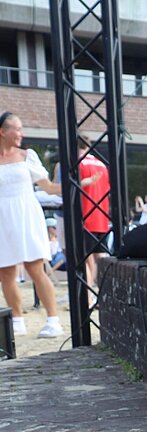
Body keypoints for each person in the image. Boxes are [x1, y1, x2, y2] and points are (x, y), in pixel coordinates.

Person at [0, 111, 65, 338]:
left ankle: (53, 320)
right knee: (6, 272)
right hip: (2, 219)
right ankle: (17, 320)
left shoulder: (27, 155)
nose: (21, 133)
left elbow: (47, 187)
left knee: (35, 269)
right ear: (2, 132)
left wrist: (75, 185)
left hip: (26, 214)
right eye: (16, 129)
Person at [75, 135, 111, 303]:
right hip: (101, 218)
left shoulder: (79, 163)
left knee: (86, 260)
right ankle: (106, 295)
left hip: (86, 217)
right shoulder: (102, 165)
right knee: (100, 259)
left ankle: (88, 298)